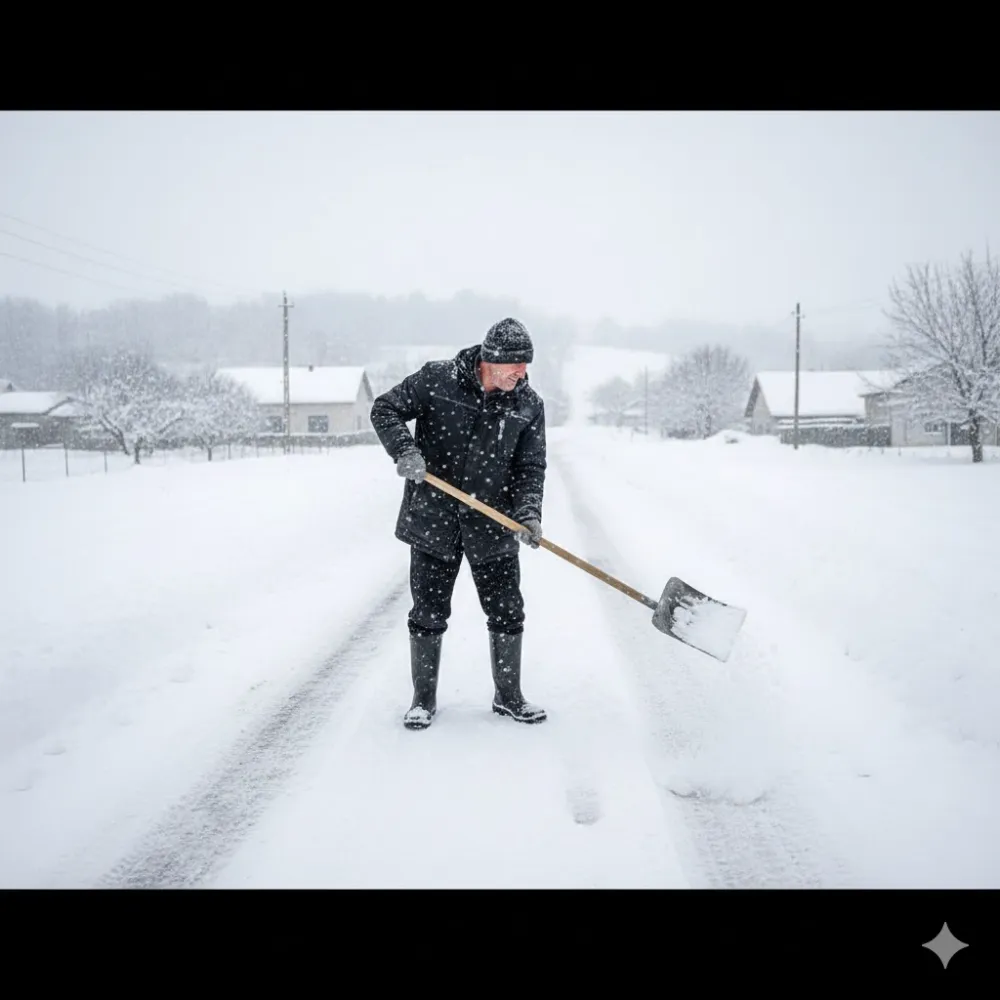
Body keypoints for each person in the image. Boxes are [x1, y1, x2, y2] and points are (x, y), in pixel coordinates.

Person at [369, 317, 547, 730]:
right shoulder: (437, 380)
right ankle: (422, 700)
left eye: (526, 365)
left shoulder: (528, 404)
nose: (522, 373)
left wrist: (528, 513)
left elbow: (530, 467)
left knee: (507, 611)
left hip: (493, 523)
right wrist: (404, 450)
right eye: (515, 365)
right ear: (491, 360)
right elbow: (385, 409)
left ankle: (508, 696)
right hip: (434, 519)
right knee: (427, 613)